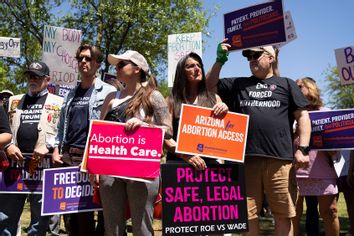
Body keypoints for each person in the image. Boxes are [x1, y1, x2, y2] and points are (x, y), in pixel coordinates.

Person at [206, 39, 312, 236]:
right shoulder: (238, 84)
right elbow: (209, 85)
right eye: (249, 56)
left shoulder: (287, 84)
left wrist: (303, 149)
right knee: (247, 216)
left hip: (280, 161)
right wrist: (220, 60)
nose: (251, 59)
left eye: (256, 55)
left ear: (271, 58)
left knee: (283, 215)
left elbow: (303, 116)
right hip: (245, 161)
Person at [93, 50, 172, 236]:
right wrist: (93, 167)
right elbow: (98, 131)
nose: (116, 68)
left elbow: (168, 131)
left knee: (142, 226)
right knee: (112, 227)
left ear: (137, 69)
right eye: (116, 65)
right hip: (110, 169)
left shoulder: (154, 96)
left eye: (121, 64)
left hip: (142, 169)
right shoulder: (112, 98)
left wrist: (145, 126)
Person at [52, 44, 116, 235]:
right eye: (80, 58)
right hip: (67, 157)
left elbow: (111, 126)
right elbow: (62, 124)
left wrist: (99, 158)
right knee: (71, 213)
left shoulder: (108, 91)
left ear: (97, 64)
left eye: (88, 58)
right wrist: (57, 148)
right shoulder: (71, 93)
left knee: (97, 209)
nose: (83, 62)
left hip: (92, 158)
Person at [0, 61, 63, 236]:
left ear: (47, 79)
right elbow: (3, 128)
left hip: (43, 166)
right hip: (14, 166)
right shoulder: (13, 101)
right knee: (5, 217)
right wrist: (7, 145)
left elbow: (64, 131)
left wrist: (50, 145)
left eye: (37, 76)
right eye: (29, 76)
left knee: (39, 221)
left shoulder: (59, 102)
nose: (32, 79)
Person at [165, 52, 228, 170]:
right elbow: (165, 137)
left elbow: (224, 135)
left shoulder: (214, 98)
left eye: (199, 65)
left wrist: (224, 110)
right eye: (190, 66)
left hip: (210, 165)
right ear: (181, 72)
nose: (197, 69)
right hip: (179, 165)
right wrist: (187, 156)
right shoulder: (171, 101)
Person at [292, 77, 340, 236]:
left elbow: (335, 151)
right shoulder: (291, 114)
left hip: (323, 172)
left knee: (330, 212)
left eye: (300, 86)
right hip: (296, 173)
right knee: (292, 215)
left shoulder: (325, 113)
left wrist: (331, 146)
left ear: (310, 89)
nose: (295, 89)